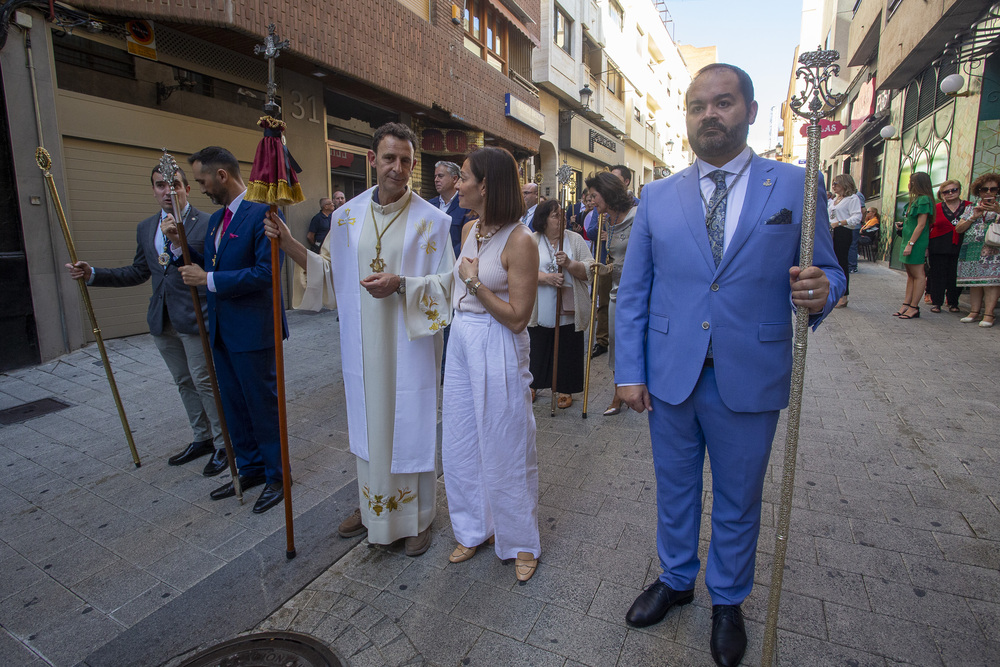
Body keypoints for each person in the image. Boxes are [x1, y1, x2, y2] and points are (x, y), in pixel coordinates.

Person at [614, 64, 844, 667]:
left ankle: (728, 600)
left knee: (740, 498)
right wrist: (629, 371)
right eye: (697, 106)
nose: (709, 115)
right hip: (671, 375)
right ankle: (676, 579)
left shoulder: (796, 187)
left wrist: (824, 290)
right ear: (685, 118)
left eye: (723, 103)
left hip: (751, 372)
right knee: (676, 487)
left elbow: (831, 269)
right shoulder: (658, 196)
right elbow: (635, 291)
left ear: (750, 110)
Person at [263, 123, 454, 555]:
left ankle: (417, 517)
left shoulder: (434, 222)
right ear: (373, 160)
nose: (398, 168)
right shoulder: (345, 218)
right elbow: (330, 277)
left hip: (411, 348)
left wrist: (402, 284)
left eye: (406, 160)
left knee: (408, 424)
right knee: (371, 428)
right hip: (365, 351)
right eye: (390, 158)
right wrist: (291, 244)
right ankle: (373, 511)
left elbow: (448, 287)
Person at [65, 165, 225, 473]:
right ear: (153, 190)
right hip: (162, 319)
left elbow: (213, 268)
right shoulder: (145, 227)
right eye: (161, 185)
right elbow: (139, 271)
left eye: (175, 184)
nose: (168, 191)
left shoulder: (207, 222)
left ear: (187, 189)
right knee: (183, 381)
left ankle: (222, 443)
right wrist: (93, 274)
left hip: (196, 317)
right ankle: (202, 436)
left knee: (205, 381)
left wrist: (181, 243)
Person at [163, 146, 288, 514]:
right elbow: (210, 263)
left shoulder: (261, 213)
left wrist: (209, 279)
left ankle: (278, 474)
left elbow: (267, 274)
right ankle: (249, 467)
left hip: (253, 331)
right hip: (222, 331)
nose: (200, 188)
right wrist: (177, 244)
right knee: (234, 406)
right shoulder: (218, 221)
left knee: (261, 406)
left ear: (222, 176)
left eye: (201, 180)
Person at [442, 146, 540, 582]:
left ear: (486, 185)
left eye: (463, 177)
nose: (457, 184)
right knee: (461, 439)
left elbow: (518, 317)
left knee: (506, 442)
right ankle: (472, 528)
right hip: (462, 338)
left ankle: (521, 541)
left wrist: (474, 282)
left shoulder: (520, 240)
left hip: (498, 341)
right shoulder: (471, 228)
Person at [527, 199, 595, 409]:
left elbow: (590, 268)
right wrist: (545, 278)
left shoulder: (573, 239)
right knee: (537, 345)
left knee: (567, 344)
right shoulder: (531, 240)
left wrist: (569, 264)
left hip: (568, 305)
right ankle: (533, 385)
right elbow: (521, 270)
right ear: (543, 219)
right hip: (539, 304)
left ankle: (565, 388)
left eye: (562, 215)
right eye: (556, 216)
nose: (562, 219)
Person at [585, 171, 637, 416]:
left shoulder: (638, 216)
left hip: (638, 294)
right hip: (617, 291)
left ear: (607, 193)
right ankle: (618, 391)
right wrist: (605, 268)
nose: (591, 201)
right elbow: (616, 259)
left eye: (594, 196)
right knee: (615, 343)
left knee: (636, 343)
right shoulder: (607, 220)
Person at [955, 172, 1000, 328]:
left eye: (993, 189)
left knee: (991, 282)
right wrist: (973, 216)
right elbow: (959, 229)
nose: (988, 192)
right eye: (984, 189)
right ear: (978, 191)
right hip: (971, 248)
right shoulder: (970, 208)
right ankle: (974, 312)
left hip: (993, 249)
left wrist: (998, 211)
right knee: (974, 281)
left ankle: (989, 314)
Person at [893, 172, 933, 320]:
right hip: (908, 240)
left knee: (918, 274)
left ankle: (914, 307)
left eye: (911, 181)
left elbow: (922, 225)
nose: (909, 184)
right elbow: (914, 222)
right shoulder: (914, 201)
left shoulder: (924, 200)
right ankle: (906, 304)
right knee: (910, 275)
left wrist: (911, 244)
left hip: (915, 243)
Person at [927, 180, 970, 313]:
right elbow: (928, 227)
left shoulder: (969, 206)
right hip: (938, 245)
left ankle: (953, 302)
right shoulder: (937, 208)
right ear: (942, 194)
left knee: (955, 275)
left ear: (959, 190)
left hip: (961, 245)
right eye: (946, 191)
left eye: (954, 190)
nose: (950, 193)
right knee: (937, 274)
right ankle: (937, 302)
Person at [827, 174, 862, 307]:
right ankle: (834, 292)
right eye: (833, 183)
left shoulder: (852, 199)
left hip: (843, 231)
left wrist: (840, 223)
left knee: (842, 263)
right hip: (832, 231)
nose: (834, 186)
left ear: (844, 184)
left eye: (836, 183)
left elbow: (857, 217)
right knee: (832, 262)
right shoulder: (835, 200)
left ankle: (844, 295)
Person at [428, 160, 470, 257]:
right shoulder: (429, 205)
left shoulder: (465, 205)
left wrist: (448, 259)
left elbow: (466, 240)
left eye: (440, 176)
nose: (436, 180)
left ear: (455, 179)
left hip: (455, 261)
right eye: (435, 176)